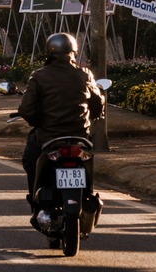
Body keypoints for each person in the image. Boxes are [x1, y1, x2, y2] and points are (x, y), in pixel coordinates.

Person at [15, 31, 106, 203]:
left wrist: (38, 123)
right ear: (73, 52)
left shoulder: (39, 76)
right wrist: (90, 118)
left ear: (49, 52)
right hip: (80, 135)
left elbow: (26, 109)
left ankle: (36, 198)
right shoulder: (85, 74)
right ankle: (88, 194)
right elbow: (97, 104)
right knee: (88, 161)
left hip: (48, 136)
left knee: (29, 161)